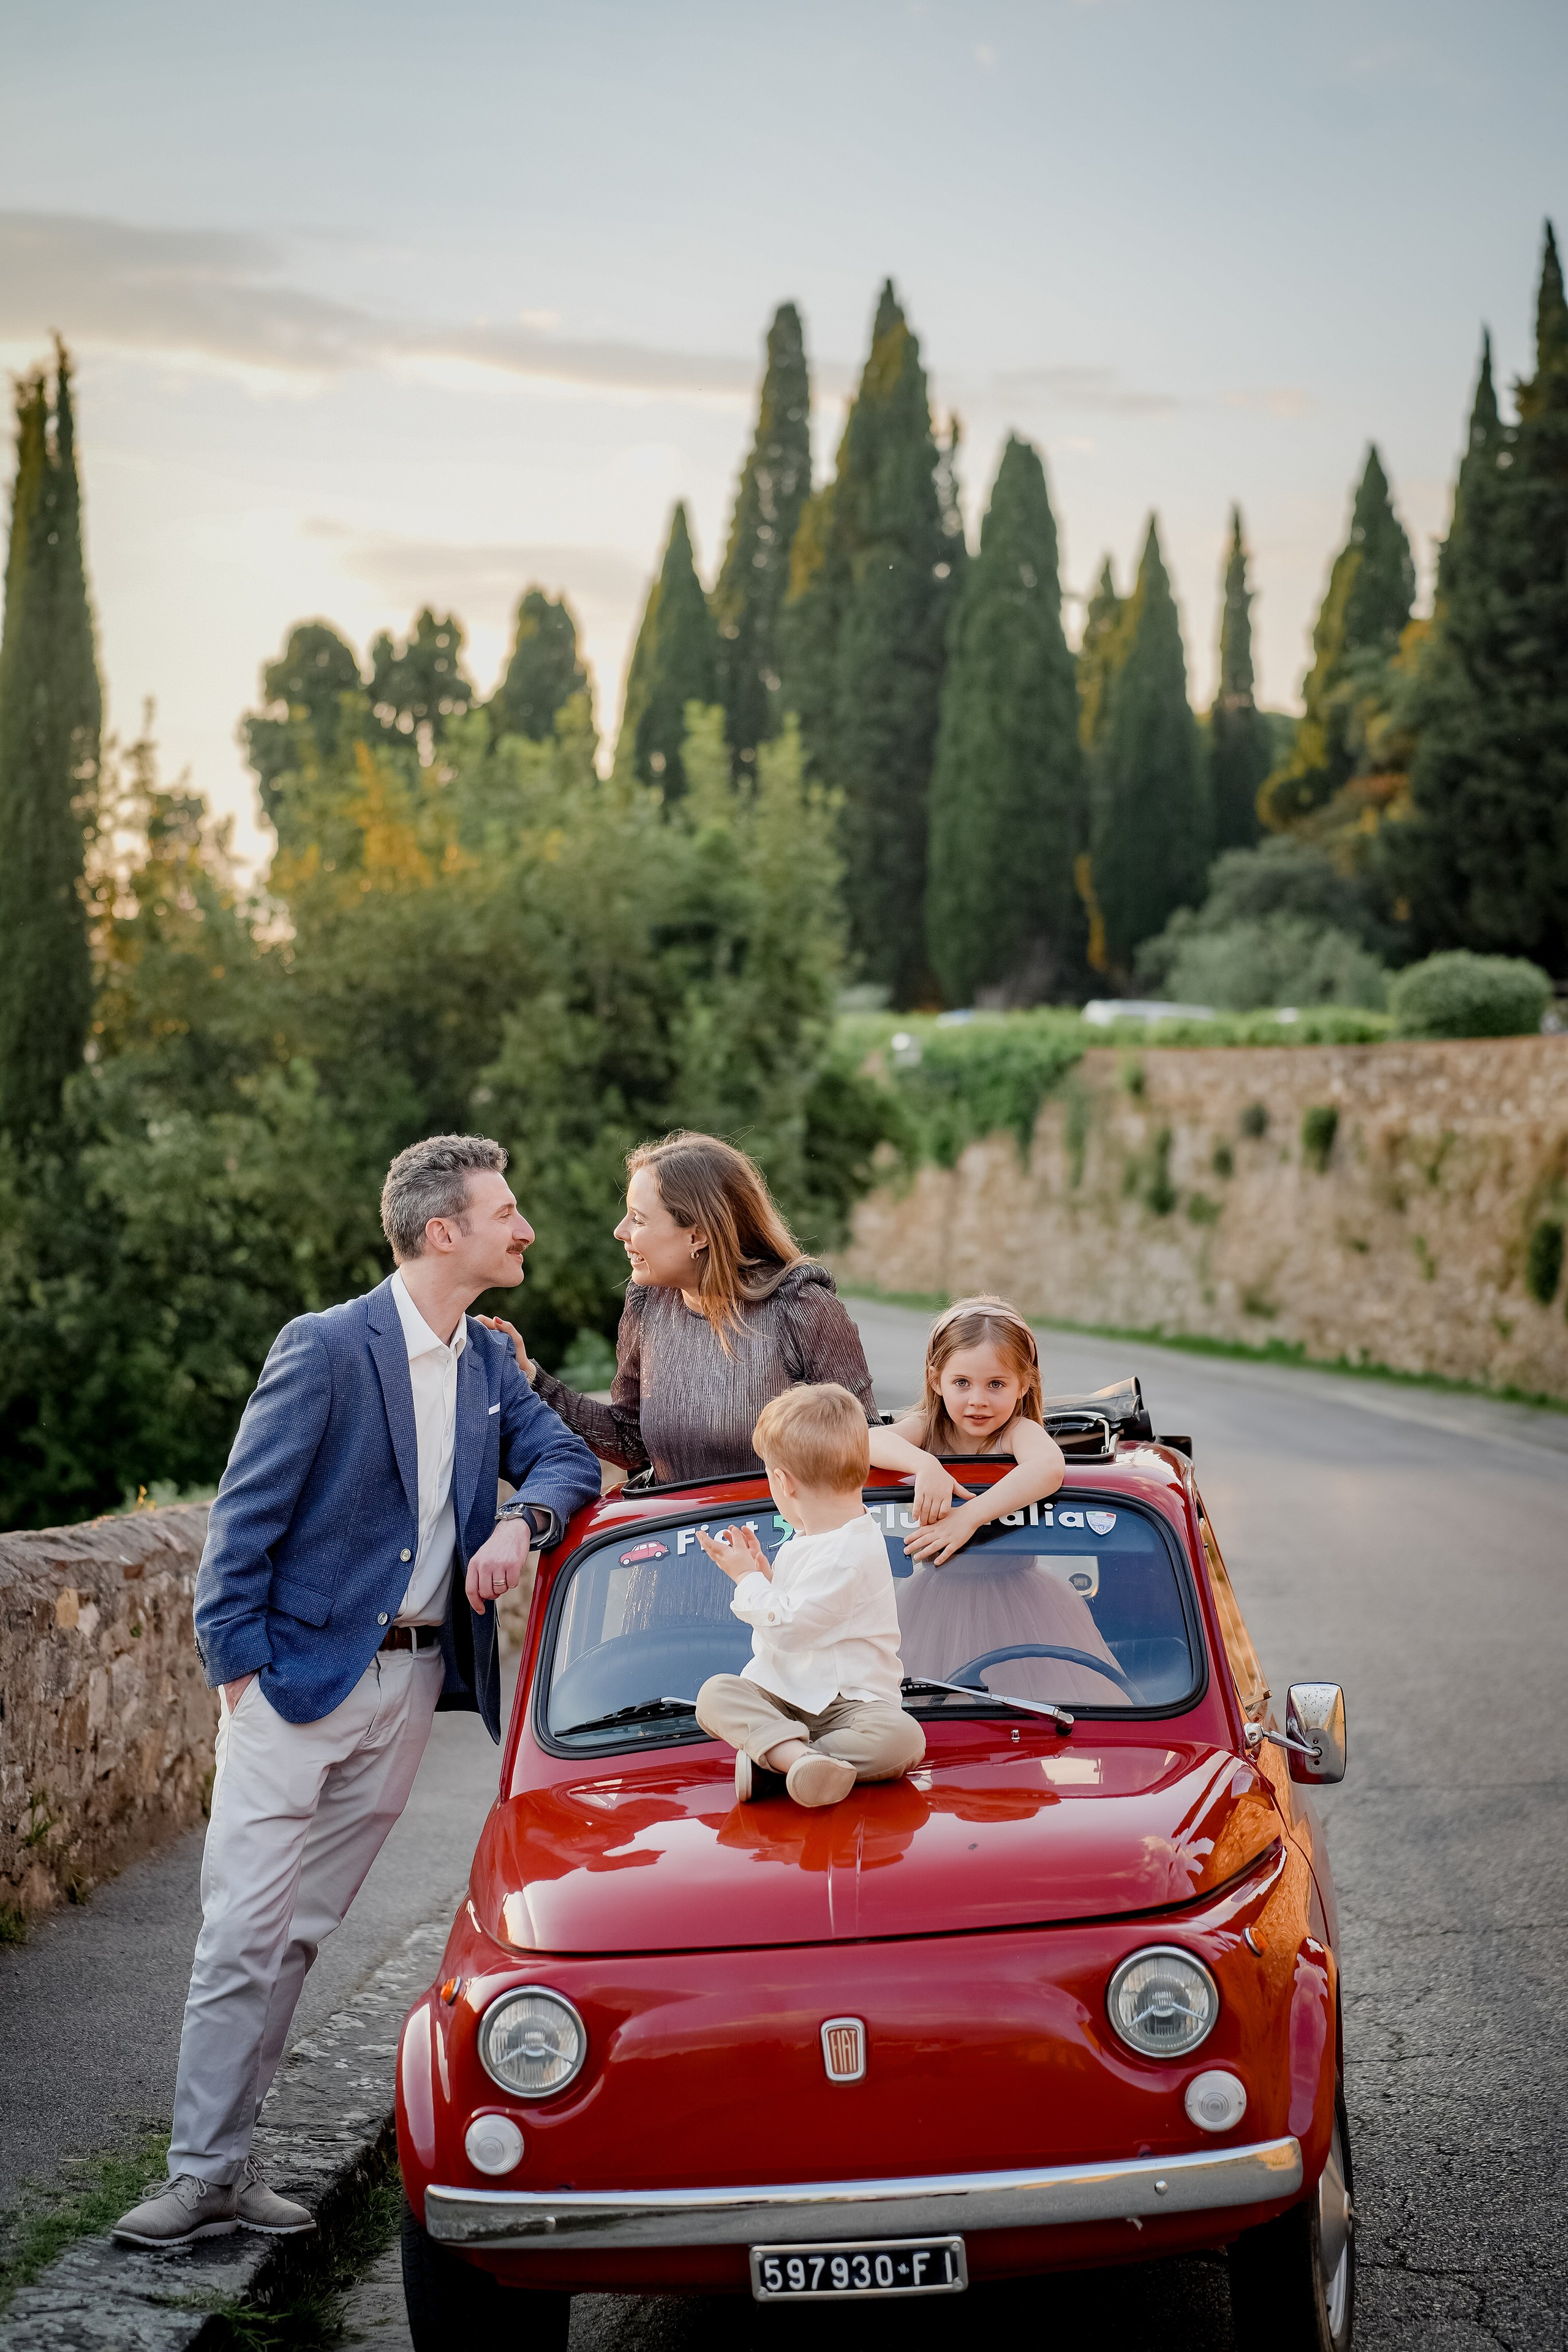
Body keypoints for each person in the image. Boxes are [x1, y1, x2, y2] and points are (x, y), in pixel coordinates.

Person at [113, 1135, 600, 2250]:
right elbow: (243, 1519)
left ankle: (232, 2168)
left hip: (415, 1684)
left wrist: (519, 1525)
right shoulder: (328, 1347)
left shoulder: (486, 1360)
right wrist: (238, 1667)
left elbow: (566, 1462)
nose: (523, 1229)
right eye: (505, 1212)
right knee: (243, 1928)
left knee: (302, 1934)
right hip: (295, 1684)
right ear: (445, 1232)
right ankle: (197, 2176)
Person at [483, 1130, 957, 1510]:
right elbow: (630, 1441)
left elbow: (861, 1447)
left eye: (638, 1219)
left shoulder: (803, 1306)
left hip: (781, 1568)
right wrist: (532, 1378)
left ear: (699, 1234)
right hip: (670, 1565)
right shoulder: (647, 1302)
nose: (620, 1232)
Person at [693, 1383, 924, 1809]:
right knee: (716, 1693)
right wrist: (766, 1574)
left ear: (783, 1482)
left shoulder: (847, 1553)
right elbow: (802, 1606)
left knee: (903, 1738)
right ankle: (801, 1761)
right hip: (784, 1697)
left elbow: (793, 1631)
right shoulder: (817, 1536)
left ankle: (782, 1763)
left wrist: (747, 1579)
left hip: (851, 1707)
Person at [888, 1297, 1123, 1707]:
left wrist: (969, 1518)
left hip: (1025, 1607)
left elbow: (1049, 1467)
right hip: (934, 1606)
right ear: (936, 1380)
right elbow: (864, 1443)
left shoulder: (1017, 1430)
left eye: (996, 1384)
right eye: (962, 1383)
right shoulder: (927, 1430)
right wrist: (925, 1465)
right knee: (928, 1716)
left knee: (1035, 1716)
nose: (978, 1400)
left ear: (1024, 1383)